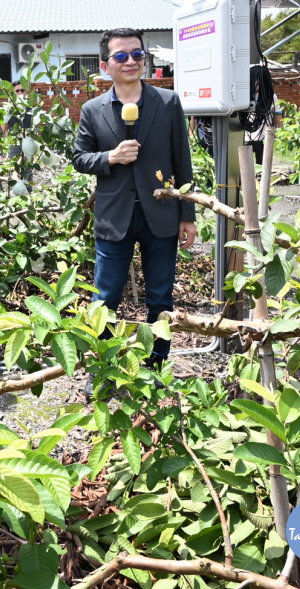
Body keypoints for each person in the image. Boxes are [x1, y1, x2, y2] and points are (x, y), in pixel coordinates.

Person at [72, 28, 197, 372]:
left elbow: (181, 160)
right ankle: (103, 368)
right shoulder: (92, 110)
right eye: (121, 56)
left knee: (160, 298)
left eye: (137, 54)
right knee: (105, 299)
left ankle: (155, 366)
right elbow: (80, 158)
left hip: (161, 213)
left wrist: (188, 213)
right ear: (105, 65)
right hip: (115, 216)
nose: (131, 61)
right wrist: (110, 157)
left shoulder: (167, 102)